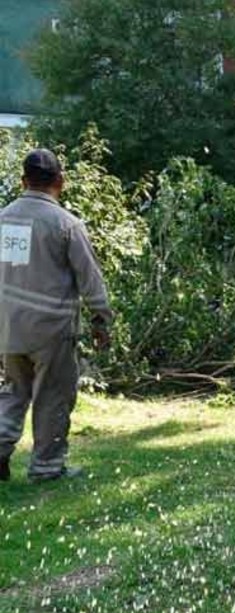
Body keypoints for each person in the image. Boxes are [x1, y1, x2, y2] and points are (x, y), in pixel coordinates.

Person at [0, 149, 112, 483]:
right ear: (60, 182)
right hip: (51, 330)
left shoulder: (4, 218)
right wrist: (101, 319)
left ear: (23, 181)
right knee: (52, 396)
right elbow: (90, 278)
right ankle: (47, 468)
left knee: (13, 391)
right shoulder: (66, 224)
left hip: (9, 327)